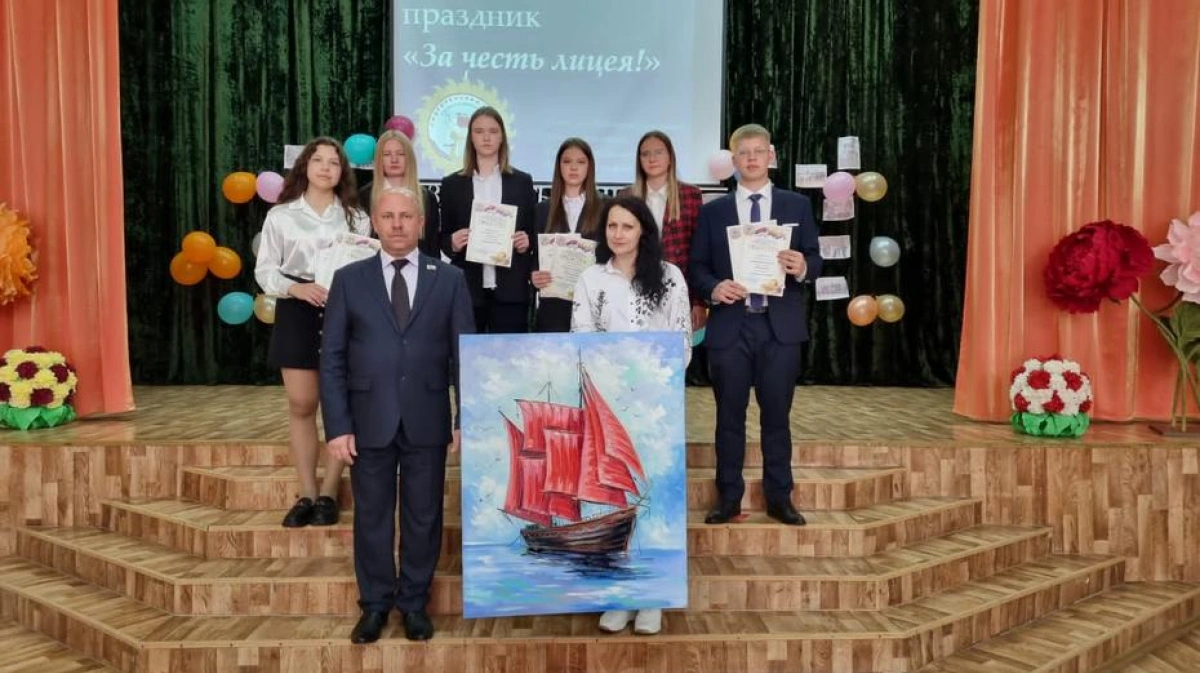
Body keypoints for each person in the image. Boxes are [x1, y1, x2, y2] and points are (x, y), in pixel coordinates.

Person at [320, 186, 474, 643]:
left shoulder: (449, 280)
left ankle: (414, 604)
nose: (398, 224)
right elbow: (332, 358)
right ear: (375, 223)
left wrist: (465, 418)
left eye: (406, 216)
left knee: (423, 516)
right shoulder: (349, 279)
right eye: (388, 216)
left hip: (428, 416)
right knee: (371, 515)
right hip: (368, 419)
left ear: (421, 223)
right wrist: (338, 425)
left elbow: (463, 355)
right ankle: (374, 605)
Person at [689, 123, 821, 527]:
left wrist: (802, 266)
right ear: (733, 160)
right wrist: (714, 288)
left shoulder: (797, 205)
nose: (751, 158)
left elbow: (815, 259)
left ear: (770, 156)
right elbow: (697, 267)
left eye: (758, 151)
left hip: (779, 329)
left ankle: (780, 497)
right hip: (731, 328)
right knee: (729, 418)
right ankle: (728, 498)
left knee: (777, 417)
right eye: (743, 152)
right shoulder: (713, 212)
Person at [571, 195, 691, 636]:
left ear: (644, 231)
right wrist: (610, 382)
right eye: (612, 226)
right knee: (612, 496)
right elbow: (581, 336)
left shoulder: (670, 276)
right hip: (607, 403)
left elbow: (682, 341)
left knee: (653, 497)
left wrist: (650, 382)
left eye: (627, 226)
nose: (618, 234)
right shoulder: (591, 278)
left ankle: (652, 598)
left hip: (656, 403)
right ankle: (618, 596)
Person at [254, 137, 369, 528]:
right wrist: (295, 288)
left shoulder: (355, 217)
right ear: (304, 166)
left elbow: (366, 267)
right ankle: (306, 492)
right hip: (298, 309)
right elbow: (265, 270)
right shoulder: (281, 215)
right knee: (302, 403)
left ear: (342, 172)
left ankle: (329, 494)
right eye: (318, 160)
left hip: (343, 312)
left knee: (341, 403)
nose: (325, 168)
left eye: (334, 162)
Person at [439, 106, 538, 333]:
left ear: (502, 137)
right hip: (467, 289)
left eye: (493, 131)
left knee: (510, 353)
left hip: (511, 290)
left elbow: (533, 231)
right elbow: (443, 239)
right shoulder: (452, 184)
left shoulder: (522, 181)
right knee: (466, 353)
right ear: (470, 138)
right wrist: (452, 242)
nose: (486, 137)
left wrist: (526, 242)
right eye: (479, 131)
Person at [621, 131, 707, 333]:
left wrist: (698, 301)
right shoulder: (626, 196)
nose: (652, 159)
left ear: (670, 158)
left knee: (677, 350)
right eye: (645, 154)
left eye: (658, 152)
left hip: (679, 291)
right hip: (634, 290)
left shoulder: (690, 195)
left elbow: (699, 252)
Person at [530, 138, 604, 332]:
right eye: (567, 161)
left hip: (594, 308)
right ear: (558, 166)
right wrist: (534, 275)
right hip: (553, 310)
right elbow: (535, 257)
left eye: (581, 162)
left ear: (589, 167)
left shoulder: (606, 207)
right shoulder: (542, 210)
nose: (573, 167)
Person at [357, 129, 441, 258]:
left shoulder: (427, 198)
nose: (394, 159)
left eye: (401, 154)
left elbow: (432, 249)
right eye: (387, 154)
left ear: (410, 158)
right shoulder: (364, 197)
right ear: (379, 159)